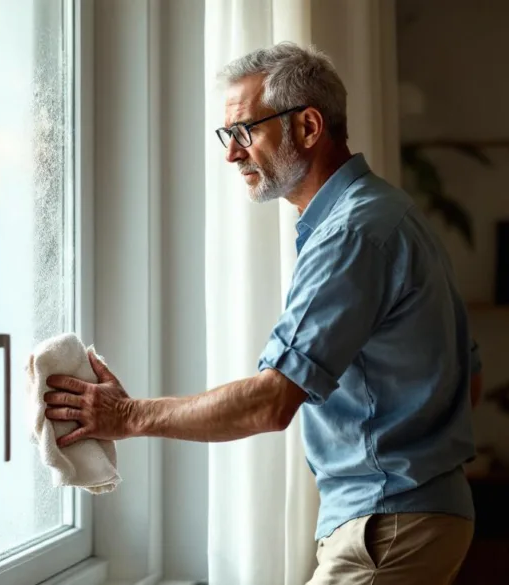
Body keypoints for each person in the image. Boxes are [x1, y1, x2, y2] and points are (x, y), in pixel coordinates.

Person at [43, 43, 482, 584]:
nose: (231, 153)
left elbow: (272, 402)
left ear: (308, 126)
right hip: (419, 515)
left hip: (388, 523)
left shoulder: (350, 234)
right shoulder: (390, 214)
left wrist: (127, 417)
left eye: (244, 131)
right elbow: (470, 378)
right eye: (227, 136)